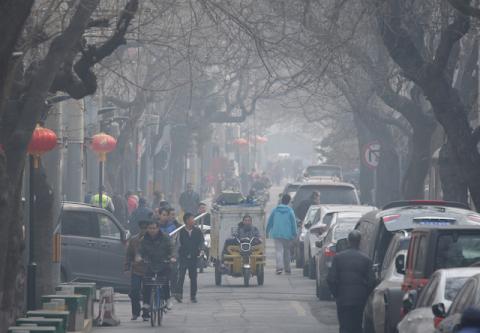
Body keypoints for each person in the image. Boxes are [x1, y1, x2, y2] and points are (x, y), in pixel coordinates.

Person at [327, 230, 375, 333]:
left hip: (342, 298)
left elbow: (331, 279)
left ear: (348, 241)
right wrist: (364, 294)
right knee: (357, 325)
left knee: (344, 325)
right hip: (359, 299)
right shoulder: (366, 259)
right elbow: (372, 281)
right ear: (360, 242)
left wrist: (336, 293)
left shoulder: (338, 258)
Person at [139, 220, 175, 321]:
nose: (152, 230)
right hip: (150, 264)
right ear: (147, 229)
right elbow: (140, 251)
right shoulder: (144, 239)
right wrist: (139, 257)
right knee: (147, 282)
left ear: (158, 228)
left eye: (154, 228)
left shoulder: (165, 237)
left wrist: (171, 257)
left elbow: (171, 248)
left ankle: (167, 299)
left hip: (163, 263)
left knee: (164, 281)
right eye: (150, 228)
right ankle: (146, 303)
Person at [175, 213, 204, 303]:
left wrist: (201, 250)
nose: (193, 221)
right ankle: (179, 294)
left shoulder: (198, 231)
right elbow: (178, 243)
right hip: (183, 257)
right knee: (181, 276)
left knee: (193, 277)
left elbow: (201, 242)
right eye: (192, 219)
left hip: (194, 257)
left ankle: (193, 296)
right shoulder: (181, 231)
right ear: (187, 221)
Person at [124, 219, 148, 320]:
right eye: (142, 228)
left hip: (149, 270)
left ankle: (146, 313)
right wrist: (126, 267)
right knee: (134, 291)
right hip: (136, 270)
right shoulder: (134, 240)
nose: (144, 230)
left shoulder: (152, 240)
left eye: (146, 228)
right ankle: (135, 312)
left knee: (147, 291)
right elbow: (128, 254)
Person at [266, 194, 297, 275]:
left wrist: (267, 231)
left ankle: (279, 268)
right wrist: (295, 234)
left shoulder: (275, 210)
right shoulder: (290, 211)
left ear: (281, 200)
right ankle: (287, 269)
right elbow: (293, 223)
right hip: (287, 234)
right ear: (289, 201)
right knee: (287, 251)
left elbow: (270, 221)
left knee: (278, 251)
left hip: (276, 233)